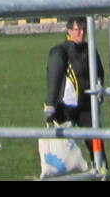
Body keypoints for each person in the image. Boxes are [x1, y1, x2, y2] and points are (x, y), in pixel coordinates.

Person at [45, 18, 105, 158]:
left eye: (84, 29)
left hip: (87, 107)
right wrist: (50, 105)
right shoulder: (60, 51)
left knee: (96, 142)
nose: (81, 33)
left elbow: (99, 73)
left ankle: (101, 171)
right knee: (63, 149)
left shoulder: (90, 50)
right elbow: (54, 77)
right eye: (78, 30)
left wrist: (100, 93)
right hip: (65, 108)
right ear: (69, 30)